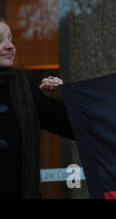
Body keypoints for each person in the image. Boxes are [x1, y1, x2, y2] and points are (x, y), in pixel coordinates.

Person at [0, 17, 74, 199]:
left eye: (10, 38)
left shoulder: (23, 87)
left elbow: (72, 127)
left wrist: (60, 99)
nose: (10, 46)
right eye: (0, 40)